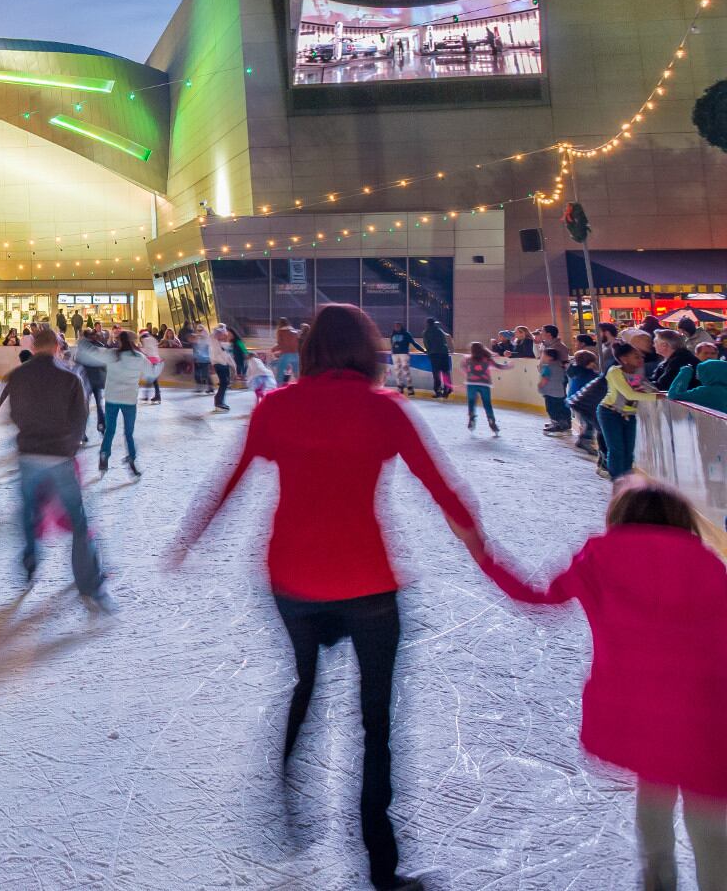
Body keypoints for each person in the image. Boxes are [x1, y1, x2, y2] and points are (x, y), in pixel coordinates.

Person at [171, 304, 480, 891]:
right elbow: (444, 490)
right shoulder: (383, 409)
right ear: (367, 351)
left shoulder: (278, 406)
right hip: (367, 582)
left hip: (291, 577)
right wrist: (485, 552)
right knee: (375, 722)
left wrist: (192, 536)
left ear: (310, 351)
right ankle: (381, 868)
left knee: (306, 683)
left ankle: (286, 787)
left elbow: (229, 481)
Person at [470, 479, 727, 890]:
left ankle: (658, 881)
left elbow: (537, 598)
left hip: (642, 715)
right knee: (711, 828)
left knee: (655, 787)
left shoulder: (599, 559)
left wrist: (484, 556)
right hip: (709, 717)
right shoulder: (711, 565)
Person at [0, 328, 108, 608]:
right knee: (78, 520)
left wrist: (30, 435)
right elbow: (80, 419)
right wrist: (66, 446)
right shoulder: (70, 378)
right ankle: (88, 583)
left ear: (33, 347)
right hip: (59, 457)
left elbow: (11, 413)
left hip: (29, 455)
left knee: (29, 512)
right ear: (58, 348)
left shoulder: (16, 375)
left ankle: (30, 563)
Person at [75, 329, 146, 479]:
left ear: (119, 341)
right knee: (128, 433)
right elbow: (152, 372)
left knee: (110, 431)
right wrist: (158, 366)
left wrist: (82, 342)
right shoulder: (139, 357)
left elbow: (93, 353)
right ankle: (131, 459)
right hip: (129, 400)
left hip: (112, 399)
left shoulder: (113, 355)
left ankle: (104, 454)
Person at [598, 342, 655, 481]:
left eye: (641, 356)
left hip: (629, 414)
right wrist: (657, 396)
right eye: (636, 356)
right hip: (610, 413)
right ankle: (618, 480)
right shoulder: (614, 372)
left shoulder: (638, 371)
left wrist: (662, 392)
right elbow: (629, 394)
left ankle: (627, 480)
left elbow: (640, 387)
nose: (641, 359)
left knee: (629, 451)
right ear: (624, 359)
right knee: (617, 449)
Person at [463, 341, 507, 434]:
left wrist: (470, 374)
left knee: (471, 402)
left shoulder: (467, 359)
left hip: (471, 383)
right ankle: (491, 421)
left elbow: (464, 368)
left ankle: (471, 418)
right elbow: (498, 366)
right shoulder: (487, 359)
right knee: (487, 404)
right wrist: (507, 366)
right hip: (484, 384)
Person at [534, 346, 573, 433]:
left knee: (551, 409)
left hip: (550, 393)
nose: (542, 357)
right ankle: (566, 423)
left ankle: (556, 424)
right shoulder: (560, 365)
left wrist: (540, 385)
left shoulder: (547, 367)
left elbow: (545, 379)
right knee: (562, 408)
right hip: (560, 392)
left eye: (543, 355)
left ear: (550, 357)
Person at [419, 317, 453, 399]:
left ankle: (438, 391)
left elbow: (427, 344)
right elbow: (445, 340)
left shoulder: (426, 332)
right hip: (444, 353)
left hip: (434, 354)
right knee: (445, 372)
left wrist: (429, 352)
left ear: (427, 323)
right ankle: (447, 389)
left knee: (436, 373)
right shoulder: (440, 330)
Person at [209, 323, 237, 412]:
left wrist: (234, 367)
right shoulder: (214, 341)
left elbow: (229, 357)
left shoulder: (226, 344)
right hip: (218, 364)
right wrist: (220, 328)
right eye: (220, 334)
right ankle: (218, 402)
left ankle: (220, 401)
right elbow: (212, 335)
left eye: (223, 334)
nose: (221, 336)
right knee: (224, 383)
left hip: (225, 365)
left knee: (225, 383)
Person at [386, 323, 416, 397]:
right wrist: (393, 351)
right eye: (395, 326)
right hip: (395, 354)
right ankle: (400, 386)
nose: (396, 327)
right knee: (397, 371)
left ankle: (410, 388)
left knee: (406, 370)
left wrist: (423, 350)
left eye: (398, 326)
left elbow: (413, 342)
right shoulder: (393, 334)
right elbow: (392, 343)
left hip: (404, 354)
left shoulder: (406, 334)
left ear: (401, 327)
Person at [273, 318, 302, 387]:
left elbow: (280, 344)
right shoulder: (294, 331)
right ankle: (302, 390)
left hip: (286, 354)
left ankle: (278, 391)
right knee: (298, 375)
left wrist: (273, 349)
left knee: (280, 375)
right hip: (295, 354)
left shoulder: (281, 331)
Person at [138, 328, 163, 404]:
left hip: (151, 361)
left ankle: (155, 396)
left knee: (152, 379)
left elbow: (146, 351)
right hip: (157, 360)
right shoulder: (153, 339)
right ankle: (151, 396)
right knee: (152, 379)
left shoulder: (145, 341)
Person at [190, 325, 213, 394]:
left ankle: (210, 387)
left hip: (205, 359)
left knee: (205, 374)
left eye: (201, 330)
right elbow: (195, 348)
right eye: (198, 330)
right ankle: (200, 387)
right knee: (197, 375)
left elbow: (209, 348)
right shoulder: (197, 338)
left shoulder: (206, 339)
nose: (199, 332)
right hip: (197, 359)